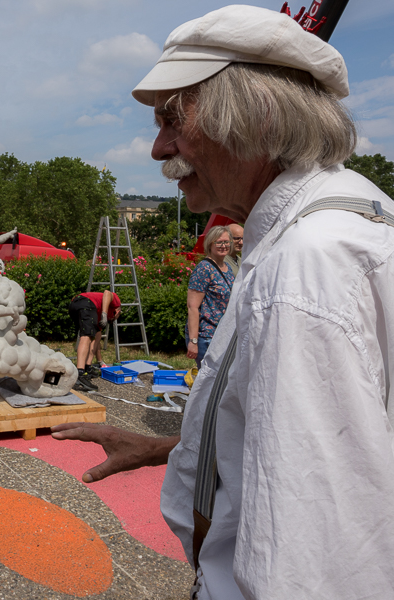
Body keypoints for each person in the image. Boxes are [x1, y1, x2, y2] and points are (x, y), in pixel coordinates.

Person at [52, 5, 394, 598]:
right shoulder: (345, 215)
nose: (158, 149)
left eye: (173, 120)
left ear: (257, 118)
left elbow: (312, 562)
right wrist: (171, 450)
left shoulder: (302, 266)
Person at [186, 226, 234, 368]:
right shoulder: (204, 269)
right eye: (218, 242)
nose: (223, 246)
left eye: (226, 242)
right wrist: (193, 341)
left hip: (222, 334)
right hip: (207, 336)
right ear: (210, 244)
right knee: (208, 378)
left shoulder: (227, 268)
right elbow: (193, 307)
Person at [67, 290, 121, 391]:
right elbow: (107, 293)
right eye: (112, 318)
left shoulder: (96, 311)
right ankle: (80, 374)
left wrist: (95, 362)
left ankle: (87, 367)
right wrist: (104, 314)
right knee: (86, 336)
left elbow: (97, 338)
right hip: (85, 303)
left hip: (75, 305)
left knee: (94, 335)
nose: (109, 319)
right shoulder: (116, 304)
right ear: (117, 312)